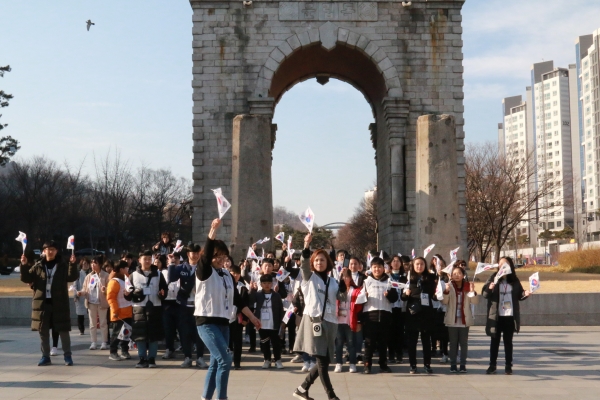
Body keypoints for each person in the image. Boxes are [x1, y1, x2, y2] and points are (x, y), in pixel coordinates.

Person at [195, 219, 261, 400]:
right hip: (206, 322)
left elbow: (237, 300)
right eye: (217, 256)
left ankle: (205, 398)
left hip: (224, 323)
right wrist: (212, 231)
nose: (220, 259)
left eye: (223, 256)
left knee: (216, 363)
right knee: (225, 360)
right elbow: (206, 255)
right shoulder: (204, 271)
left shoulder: (226, 274)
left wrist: (253, 318)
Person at [293, 233, 344, 400]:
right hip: (314, 321)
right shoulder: (309, 277)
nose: (319, 263)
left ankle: (302, 388)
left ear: (327, 262)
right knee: (322, 360)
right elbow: (304, 265)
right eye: (316, 260)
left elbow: (341, 299)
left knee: (325, 360)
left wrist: (343, 288)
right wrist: (307, 246)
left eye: (322, 260)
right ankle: (332, 395)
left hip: (331, 322)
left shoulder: (333, 281)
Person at [20, 240, 79, 366]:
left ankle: (67, 356)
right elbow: (26, 278)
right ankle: (45, 356)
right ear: (44, 251)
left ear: (56, 251)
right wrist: (24, 265)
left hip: (59, 303)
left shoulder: (63, 265)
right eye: (48, 249)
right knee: (43, 331)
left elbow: (72, 277)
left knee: (63, 330)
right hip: (42, 303)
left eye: (53, 249)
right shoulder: (38, 265)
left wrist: (73, 264)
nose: (50, 251)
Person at [482, 256, 530, 375]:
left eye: (506, 264)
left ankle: (508, 365)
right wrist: (489, 288)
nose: (503, 266)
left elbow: (520, 295)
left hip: (509, 315)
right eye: (501, 264)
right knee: (495, 341)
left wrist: (526, 294)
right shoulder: (493, 277)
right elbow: (484, 294)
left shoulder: (514, 280)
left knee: (508, 342)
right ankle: (492, 365)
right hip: (496, 315)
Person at [168, 244, 208, 368]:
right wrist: (171, 263)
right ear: (188, 254)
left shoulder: (204, 267)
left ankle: (200, 357)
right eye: (192, 253)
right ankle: (187, 357)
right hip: (185, 305)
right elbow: (171, 278)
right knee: (185, 332)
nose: (195, 255)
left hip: (200, 305)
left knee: (199, 332)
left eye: (197, 253)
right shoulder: (181, 267)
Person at [359, 256, 398, 374]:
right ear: (371, 268)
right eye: (374, 267)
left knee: (383, 342)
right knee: (369, 342)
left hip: (385, 315)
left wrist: (389, 295)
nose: (377, 269)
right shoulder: (366, 281)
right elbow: (359, 300)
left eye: (379, 267)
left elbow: (395, 298)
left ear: (383, 268)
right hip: (370, 316)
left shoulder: (389, 281)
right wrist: (364, 296)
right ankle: (367, 365)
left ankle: (383, 364)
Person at [130, 250, 168, 368]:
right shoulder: (133, 275)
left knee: (154, 334)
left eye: (149, 259)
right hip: (139, 308)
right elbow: (128, 293)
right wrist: (130, 293)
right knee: (140, 335)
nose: (147, 261)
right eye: (145, 259)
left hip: (155, 307)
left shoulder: (158, 274)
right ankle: (142, 358)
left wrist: (162, 294)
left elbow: (164, 290)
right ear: (139, 260)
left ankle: (152, 358)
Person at [441, 262, 479, 373]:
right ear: (451, 275)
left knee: (463, 343)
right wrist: (446, 291)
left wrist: (472, 292)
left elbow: (475, 302)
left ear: (463, 275)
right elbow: (444, 301)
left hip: (464, 319)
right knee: (453, 343)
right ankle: (453, 364)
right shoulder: (449, 286)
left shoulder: (468, 286)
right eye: (454, 273)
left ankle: (462, 364)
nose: (456, 275)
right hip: (452, 319)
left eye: (459, 273)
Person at [402, 256, 436, 374]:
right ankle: (413, 365)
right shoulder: (409, 278)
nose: (419, 266)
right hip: (413, 313)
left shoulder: (431, 278)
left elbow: (435, 294)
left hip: (426, 313)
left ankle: (427, 365)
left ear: (425, 265)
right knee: (412, 341)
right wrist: (406, 294)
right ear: (413, 265)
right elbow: (403, 297)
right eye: (417, 264)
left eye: (421, 264)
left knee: (426, 341)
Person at [253, 272, 285, 369]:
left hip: (274, 323)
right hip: (262, 323)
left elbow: (281, 309)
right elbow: (252, 305)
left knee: (276, 343)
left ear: (272, 284)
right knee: (264, 343)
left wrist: (282, 322)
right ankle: (267, 359)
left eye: (269, 283)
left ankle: (278, 360)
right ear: (261, 284)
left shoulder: (276, 295)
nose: (267, 285)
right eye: (264, 283)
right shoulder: (257, 295)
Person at [334, 268, 362, 373]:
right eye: (343, 277)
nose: (345, 279)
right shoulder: (337, 288)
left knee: (351, 343)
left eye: (347, 277)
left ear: (350, 278)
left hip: (350, 320)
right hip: (338, 320)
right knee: (339, 343)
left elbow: (359, 306)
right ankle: (339, 363)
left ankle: (352, 363)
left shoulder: (355, 290)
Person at [79, 256, 110, 350]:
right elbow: (85, 288)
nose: (92, 265)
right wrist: (81, 293)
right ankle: (93, 342)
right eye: (92, 263)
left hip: (102, 302)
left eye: (95, 263)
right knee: (92, 323)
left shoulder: (105, 275)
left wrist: (105, 290)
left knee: (103, 323)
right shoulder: (89, 276)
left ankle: (104, 342)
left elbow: (110, 289)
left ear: (100, 264)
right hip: (91, 302)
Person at [106, 260, 133, 361]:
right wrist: (115, 310)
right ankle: (113, 352)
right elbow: (111, 298)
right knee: (116, 333)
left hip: (128, 311)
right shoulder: (114, 281)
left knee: (126, 333)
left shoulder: (125, 279)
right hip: (119, 312)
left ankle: (124, 351)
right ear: (121, 269)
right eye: (126, 268)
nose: (128, 269)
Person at [388, 255, 407, 364]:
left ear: (401, 264)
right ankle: (391, 354)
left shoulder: (404, 277)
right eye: (393, 261)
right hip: (390, 307)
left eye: (398, 261)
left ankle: (399, 354)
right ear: (390, 263)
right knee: (390, 332)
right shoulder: (387, 277)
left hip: (401, 308)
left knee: (400, 332)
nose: (395, 263)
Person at [229, 265, 248, 370]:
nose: (234, 275)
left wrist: (245, 318)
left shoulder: (242, 287)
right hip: (225, 317)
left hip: (237, 317)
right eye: (232, 273)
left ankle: (237, 362)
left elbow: (245, 303)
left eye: (237, 273)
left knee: (237, 341)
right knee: (227, 340)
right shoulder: (224, 285)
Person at [430, 255, 449, 363]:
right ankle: (434, 347)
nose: (439, 267)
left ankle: (445, 351)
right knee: (435, 329)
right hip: (434, 307)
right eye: (437, 265)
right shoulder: (432, 276)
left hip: (445, 308)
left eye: (441, 265)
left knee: (445, 332)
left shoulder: (447, 277)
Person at [161, 253, 180, 360]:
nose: (174, 261)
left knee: (182, 328)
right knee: (168, 328)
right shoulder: (163, 272)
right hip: (167, 303)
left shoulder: (182, 271)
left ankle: (186, 348)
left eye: (176, 259)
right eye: (172, 259)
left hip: (179, 302)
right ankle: (169, 348)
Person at [73, 258, 90, 338]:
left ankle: (92, 328)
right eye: (84, 264)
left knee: (91, 313)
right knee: (80, 314)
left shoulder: (91, 274)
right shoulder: (78, 274)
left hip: (90, 296)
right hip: (81, 296)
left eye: (87, 264)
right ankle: (81, 329)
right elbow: (75, 285)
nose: (85, 265)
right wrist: (75, 295)